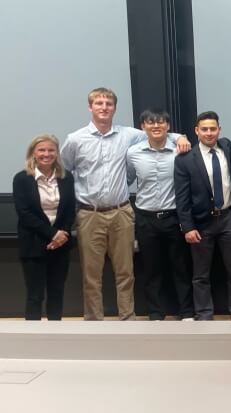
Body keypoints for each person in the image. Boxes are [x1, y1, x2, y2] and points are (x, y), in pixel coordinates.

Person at [61, 87, 190, 320]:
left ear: (114, 108)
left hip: (121, 212)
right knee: (92, 275)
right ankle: (94, 321)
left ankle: (127, 319)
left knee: (126, 272)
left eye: (108, 103)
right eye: (98, 103)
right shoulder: (75, 140)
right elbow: (63, 171)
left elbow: (158, 133)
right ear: (90, 107)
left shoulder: (128, 135)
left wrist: (181, 137)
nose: (103, 107)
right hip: (89, 214)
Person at [174, 111, 231, 322]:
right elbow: (182, 197)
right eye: (204, 129)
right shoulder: (185, 159)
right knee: (201, 275)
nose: (209, 133)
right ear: (196, 131)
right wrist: (187, 227)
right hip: (201, 223)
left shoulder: (227, 147)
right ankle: (204, 314)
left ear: (219, 130)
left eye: (212, 128)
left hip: (228, 218)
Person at [126, 109, 195, 321]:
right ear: (142, 127)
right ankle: (155, 313)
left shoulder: (180, 148)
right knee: (151, 269)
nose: (156, 126)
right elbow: (127, 179)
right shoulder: (133, 152)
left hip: (174, 217)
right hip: (146, 218)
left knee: (181, 267)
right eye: (150, 122)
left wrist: (180, 136)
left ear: (168, 126)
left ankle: (186, 312)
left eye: (161, 122)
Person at [13, 134, 75, 320]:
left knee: (57, 293)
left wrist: (61, 235)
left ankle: (56, 339)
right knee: (35, 295)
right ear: (33, 153)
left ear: (57, 153)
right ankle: (32, 342)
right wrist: (53, 234)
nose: (46, 154)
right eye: (41, 150)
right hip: (33, 244)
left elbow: (70, 209)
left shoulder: (66, 178)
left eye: (51, 150)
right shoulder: (22, 179)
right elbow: (24, 213)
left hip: (61, 245)